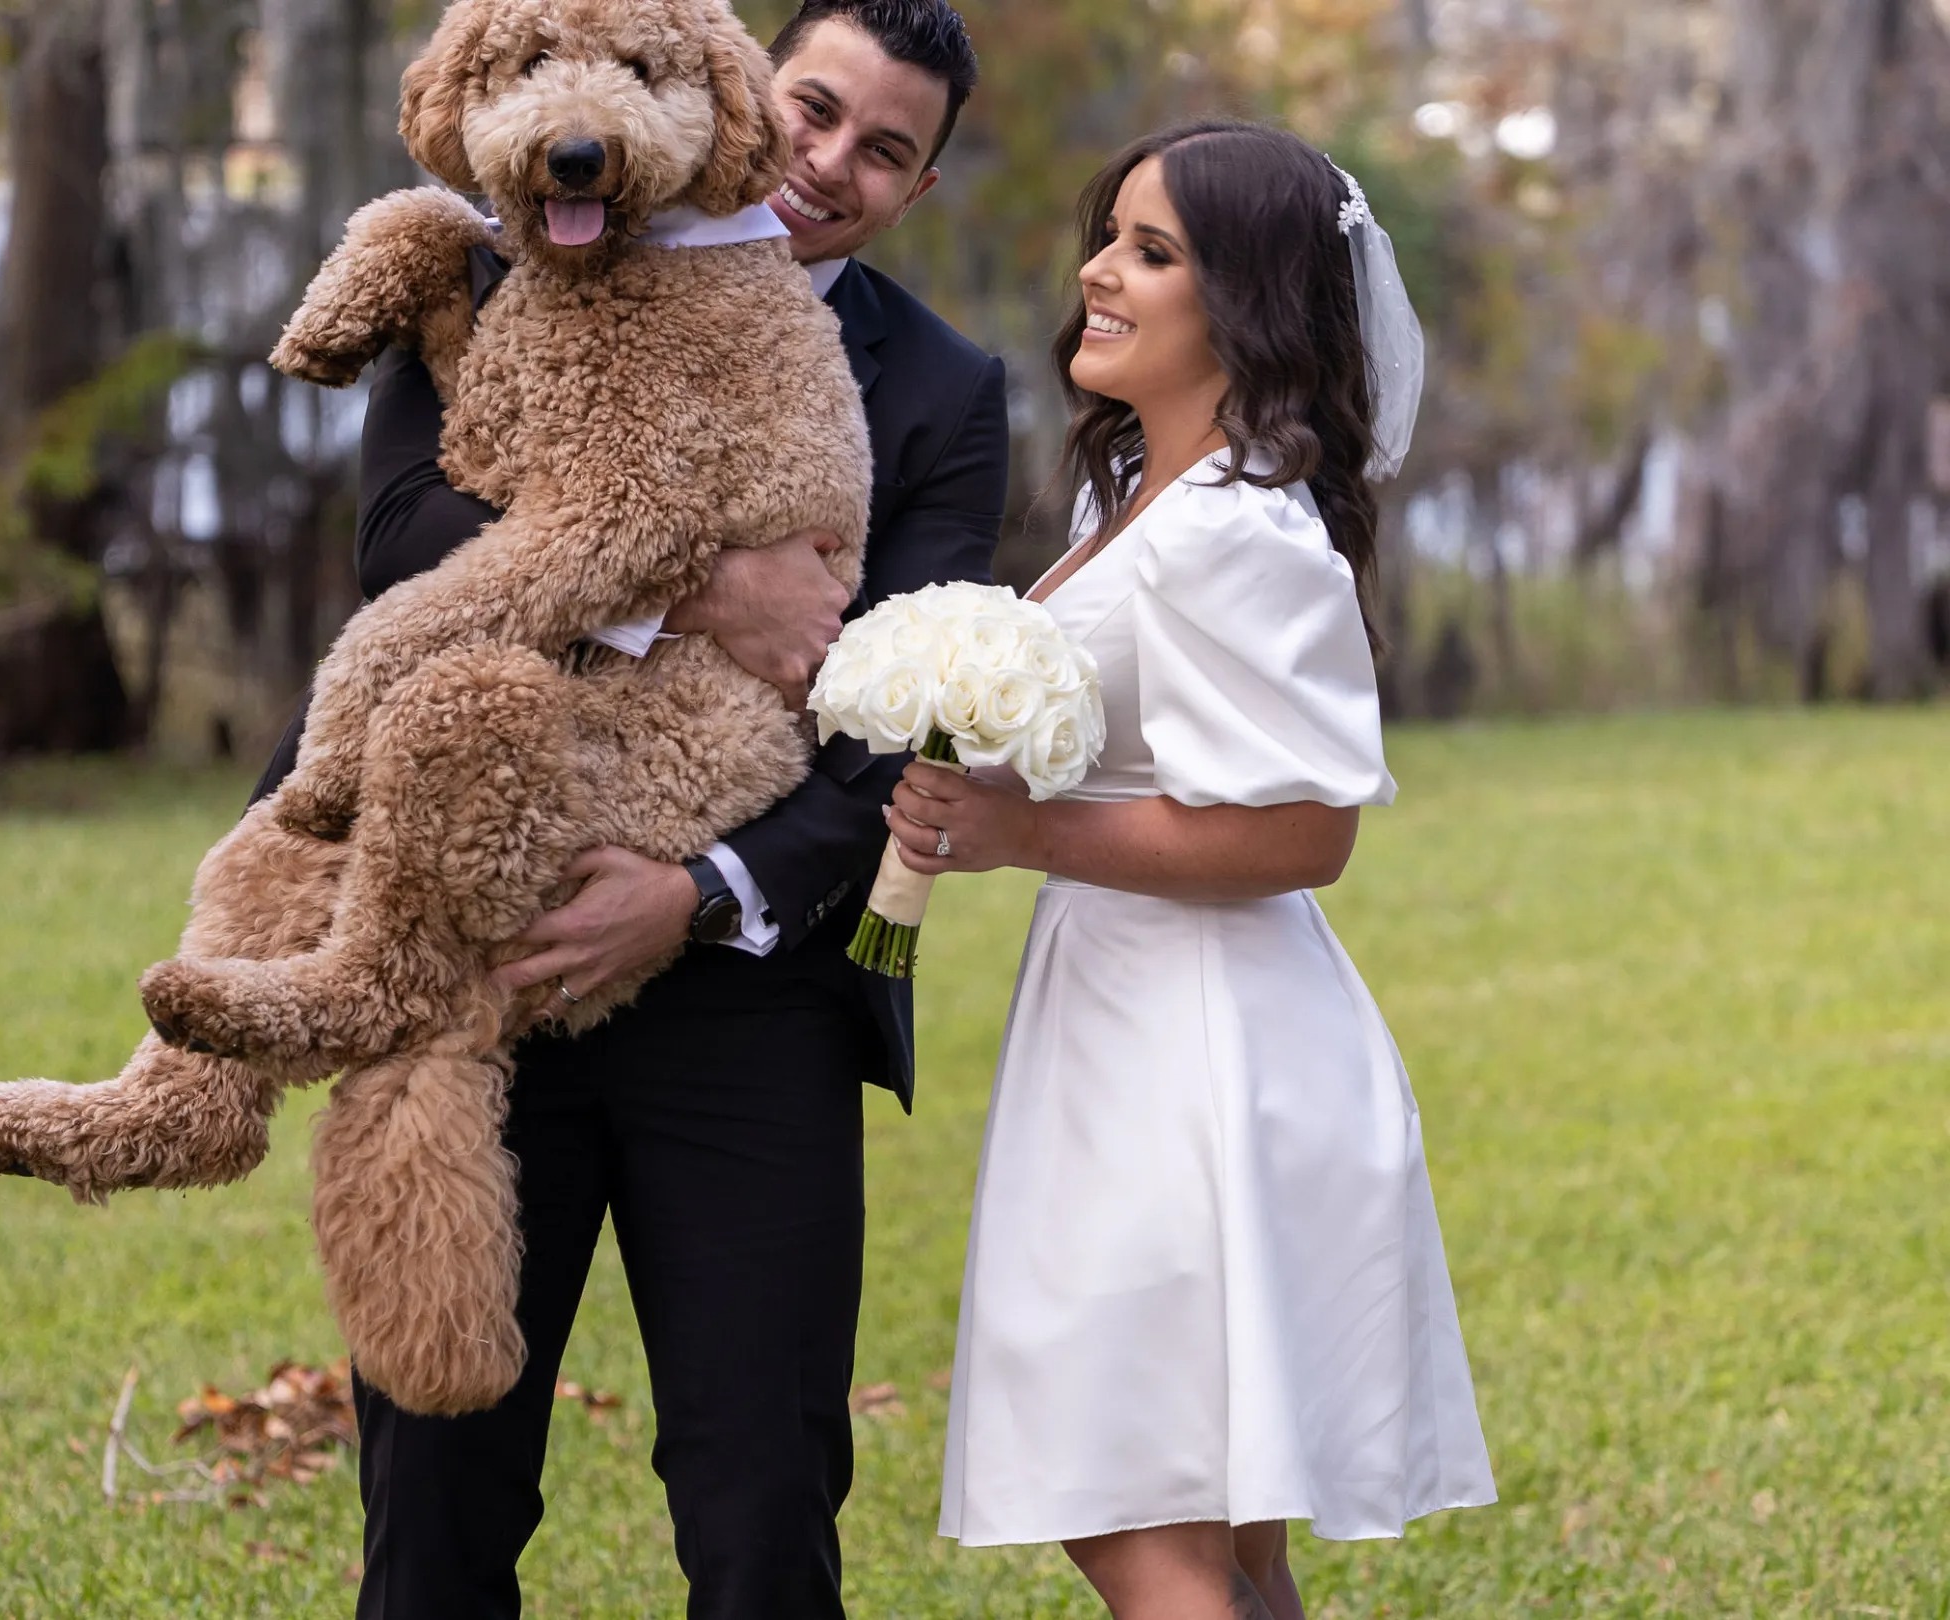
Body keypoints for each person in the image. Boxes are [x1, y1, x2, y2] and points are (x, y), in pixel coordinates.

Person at [250, 3, 1007, 1615]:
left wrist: (701, 887)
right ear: (742, 91)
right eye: (815, 109)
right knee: (438, 1506)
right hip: (479, 943)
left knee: (761, 1505)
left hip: (753, 998)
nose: (829, 164)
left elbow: (899, 727)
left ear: (920, 188)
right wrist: (700, 583)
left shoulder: (945, 390)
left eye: (886, 149)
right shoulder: (494, 252)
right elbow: (403, 536)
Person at [883, 121, 1497, 1619]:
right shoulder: (1133, 506)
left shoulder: (1237, 530)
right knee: (1220, 1532)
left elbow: (1307, 833)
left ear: (1252, 305)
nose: (1100, 269)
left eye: (1152, 251)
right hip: (1125, 1018)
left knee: (1124, 1504)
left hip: (1204, 1057)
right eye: (1112, 235)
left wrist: (1025, 833)